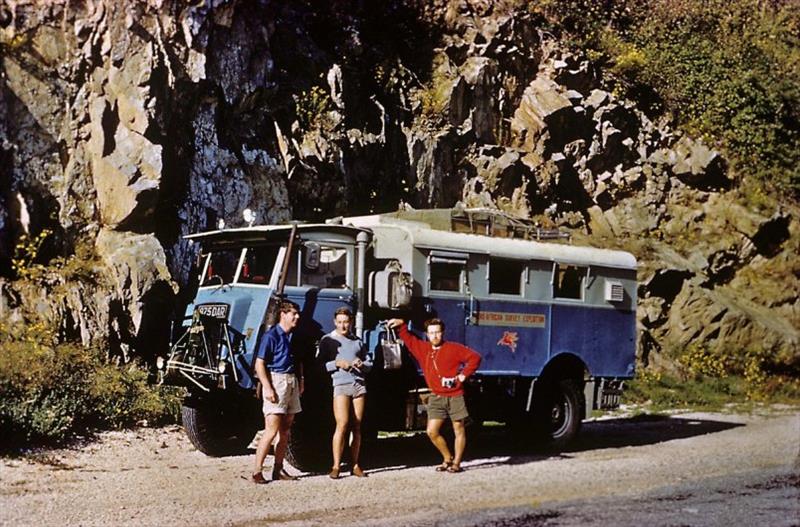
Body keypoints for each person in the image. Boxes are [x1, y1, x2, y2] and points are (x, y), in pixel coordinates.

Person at [386, 318, 481, 473]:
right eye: (431, 333)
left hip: (455, 395)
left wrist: (463, 376)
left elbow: (475, 358)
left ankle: (456, 463)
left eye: (437, 332)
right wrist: (402, 324)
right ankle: (447, 458)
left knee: (459, 429)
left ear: (442, 333)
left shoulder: (454, 348)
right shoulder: (423, 349)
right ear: (427, 334)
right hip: (436, 396)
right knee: (432, 431)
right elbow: (409, 339)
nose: (435, 336)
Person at [252, 300, 304, 484]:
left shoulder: (293, 336)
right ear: (283, 314)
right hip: (277, 380)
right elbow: (260, 363)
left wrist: (301, 380)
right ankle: (257, 471)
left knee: (286, 429)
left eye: (297, 314)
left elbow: (298, 360)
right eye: (293, 314)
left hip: (291, 381)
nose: (297, 317)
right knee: (271, 429)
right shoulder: (271, 336)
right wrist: (267, 387)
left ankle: (278, 469)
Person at [318, 307, 372, 479]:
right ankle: (336, 466)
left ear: (351, 322)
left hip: (358, 384)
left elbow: (370, 364)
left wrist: (362, 364)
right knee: (342, 424)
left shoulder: (357, 341)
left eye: (346, 322)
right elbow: (319, 365)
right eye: (340, 322)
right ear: (335, 322)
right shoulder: (327, 340)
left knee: (357, 425)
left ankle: (355, 465)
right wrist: (336, 364)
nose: (343, 326)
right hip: (340, 384)